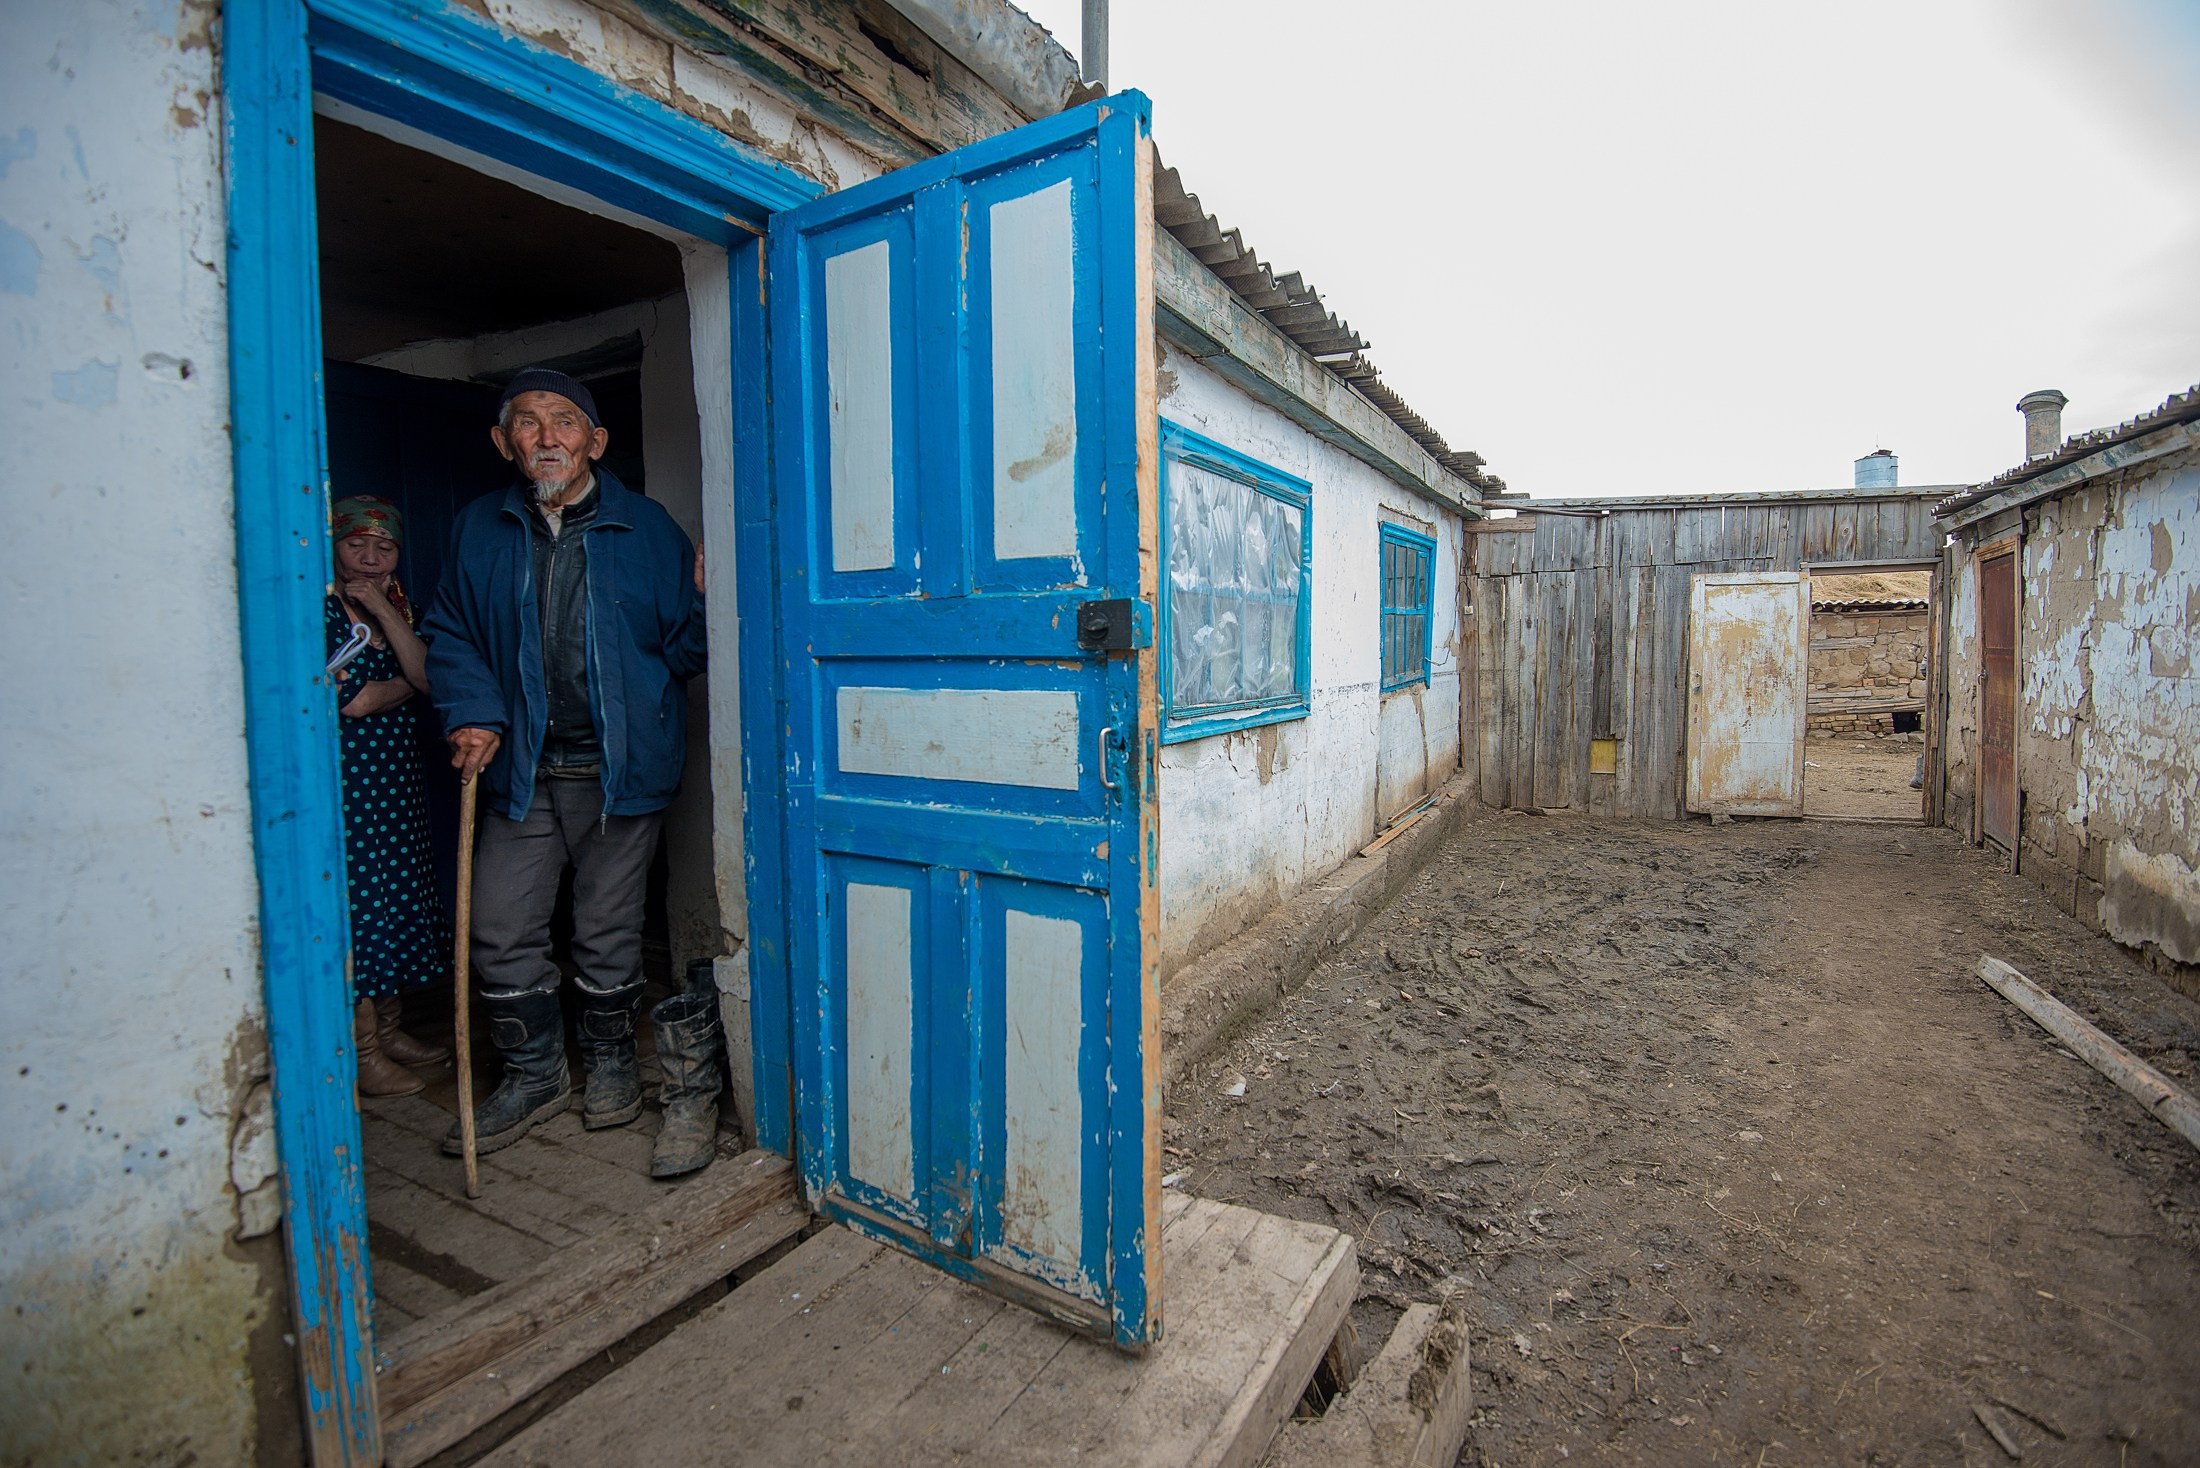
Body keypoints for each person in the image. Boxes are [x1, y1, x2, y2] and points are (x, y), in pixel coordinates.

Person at [422, 368, 711, 1170]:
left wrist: (706, 604)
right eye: (527, 422)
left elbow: (682, 655)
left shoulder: (649, 530)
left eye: (564, 421)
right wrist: (471, 711)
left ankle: (613, 1062)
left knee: (607, 928)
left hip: (619, 771)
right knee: (501, 926)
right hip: (521, 769)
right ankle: (536, 1074)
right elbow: (450, 633)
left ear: (596, 441)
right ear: (502, 442)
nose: (547, 437)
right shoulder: (479, 528)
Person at [327, 496, 452, 1098]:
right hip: (351, 789)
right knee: (361, 911)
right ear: (334, 545)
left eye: (385, 548)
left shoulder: (396, 605)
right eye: (358, 546)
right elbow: (356, 700)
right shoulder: (321, 610)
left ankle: (393, 1027)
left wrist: (382, 609)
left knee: (396, 898)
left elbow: (430, 677)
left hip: (397, 783)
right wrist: (411, 679)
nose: (372, 560)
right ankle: (364, 1050)